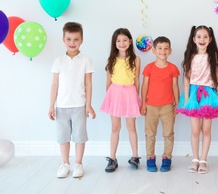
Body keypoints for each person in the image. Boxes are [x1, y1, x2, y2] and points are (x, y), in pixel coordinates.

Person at [177, 25, 218, 174]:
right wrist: (187, 99)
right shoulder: (190, 57)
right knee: (195, 130)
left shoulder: (212, 57)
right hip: (194, 94)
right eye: (199, 36)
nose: (202, 39)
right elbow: (186, 79)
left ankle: (203, 160)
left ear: (210, 39)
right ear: (194, 39)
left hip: (209, 95)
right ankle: (195, 159)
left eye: (205, 36)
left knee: (206, 129)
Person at [48, 22, 96, 178]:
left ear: (81, 40)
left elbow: (88, 84)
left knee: (80, 136)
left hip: (79, 106)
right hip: (61, 106)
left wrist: (88, 105)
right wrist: (51, 106)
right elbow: (54, 84)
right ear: (63, 40)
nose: (72, 43)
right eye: (69, 39)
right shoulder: (58, 61)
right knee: (63, 137)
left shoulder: (86, 60)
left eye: (76, 39)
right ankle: (65, 164)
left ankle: (78, 164)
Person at [100, 28, 141, 172]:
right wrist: (109, 98)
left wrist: (137, 98)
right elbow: (108, 81)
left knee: (131, 127)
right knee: (115, 127)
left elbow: (137, 81)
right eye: (118, 40)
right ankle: (112, 158)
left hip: (130, 94)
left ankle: (135, 157)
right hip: (115, 94)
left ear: (130, 42)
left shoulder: (136, 59)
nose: (122, 43)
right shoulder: (111, 60)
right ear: (114, 43)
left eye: (125, 40)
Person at [140, 36, 180, 172]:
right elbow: (144, 86)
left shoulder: (173, 68)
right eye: (160, 48)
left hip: (168, 106)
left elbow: (175, 87)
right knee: (150, 134)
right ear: (154, 50)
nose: (163, 51)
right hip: (151, 106)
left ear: (170, 51)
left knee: (168, 134)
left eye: (166, 48)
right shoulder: (149, 68)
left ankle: (167, 158)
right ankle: (150, 158)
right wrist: (143, 104)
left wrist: (177, 104)